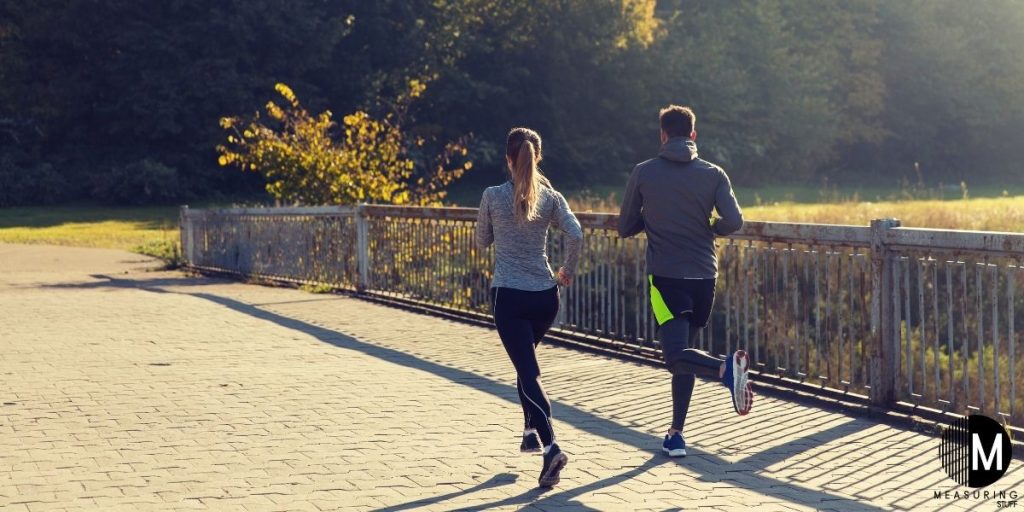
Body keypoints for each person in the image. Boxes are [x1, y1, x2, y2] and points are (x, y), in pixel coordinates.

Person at [617, 105, 753, 458]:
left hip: (666, 278)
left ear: (663, 135)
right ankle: (676, 434)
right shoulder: (714, 174)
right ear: (693, 135)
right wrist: (711, 227)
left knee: (675, 355)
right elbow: (734, 220)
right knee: (686, 354)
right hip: (705, 278)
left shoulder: (644, 173)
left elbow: (624, 226)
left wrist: (652, 216)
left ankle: (725, 369)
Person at [475, 127, 583, 487]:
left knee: (529, 373)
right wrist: (568, 269)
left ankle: (551, 447)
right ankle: (529, 432)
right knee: (526, 367)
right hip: (544, 297)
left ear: (508, 158)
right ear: (537, 158)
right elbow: (577, 233)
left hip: (510, 296)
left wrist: (497, 227)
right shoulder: (551, 198)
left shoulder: (492, 195)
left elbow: (481, 241)